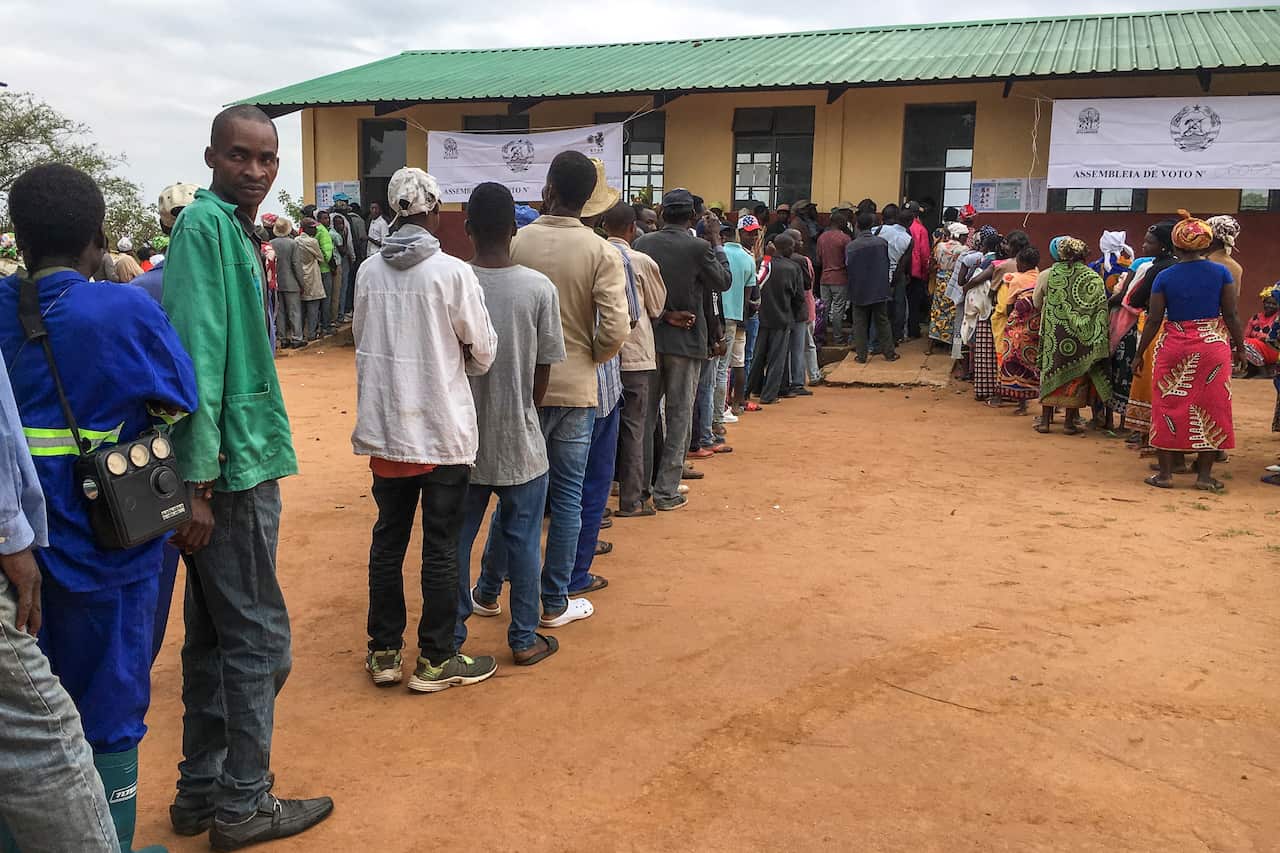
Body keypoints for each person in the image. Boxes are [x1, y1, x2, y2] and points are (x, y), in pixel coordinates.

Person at [0, 165, 196, 853]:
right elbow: (179, 397)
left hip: (15, 548)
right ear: (96, 235)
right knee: (109, 709)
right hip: (107, 546)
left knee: (19, 715)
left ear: (19, 238)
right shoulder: (123, 308)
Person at [163, 105, 334, 849]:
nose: (257, 171)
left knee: (213, 639)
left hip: (236, 460)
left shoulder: (230, 228)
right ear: (211, 156)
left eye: (267, 159)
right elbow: (197, 355)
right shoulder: (204, 230)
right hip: (228, 474)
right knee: (264, 642)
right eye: (241, 157)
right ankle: (243, 800)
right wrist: (198, 483)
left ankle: (200, 790)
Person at [351, 166, 498, 694]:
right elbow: (482, 351)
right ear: (435, 212)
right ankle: (436, 660)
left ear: (392, 211)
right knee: (440, 545)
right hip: (440, 431)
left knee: (388, 540)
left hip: (388, 428)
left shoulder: (368, 272)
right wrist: (452, 356)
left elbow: (366, 339)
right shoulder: (453, 273)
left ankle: (384, 651)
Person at [510, 150, 629, 620]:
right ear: (590, 200)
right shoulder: (601, 251)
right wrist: (592, 356)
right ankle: (554, 600)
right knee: (569, 497)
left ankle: (489, 587)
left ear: (549, 189)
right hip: (579, 389)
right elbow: (617, 326)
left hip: (524, 385)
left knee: (517, 491)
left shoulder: (518, 241)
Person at [455, 182, 566, 665]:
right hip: (521, 436)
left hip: (461, 440)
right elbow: (544, 369)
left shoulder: (454, 282)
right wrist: (524, 408)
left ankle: (451, 636)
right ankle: (523, 637)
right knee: (523, 542)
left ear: (467, 229)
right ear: (514, 228)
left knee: (454, 541)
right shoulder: (539, 288)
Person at [634, 188, 730, 511]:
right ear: (691, 217)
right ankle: (666, 491)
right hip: (687, 344)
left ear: (661, 214)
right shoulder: (700, 247)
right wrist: (717, 240)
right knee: (679, 416)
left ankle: (641, 488)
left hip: (651, 339)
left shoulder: (642, 243)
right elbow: (723, 282)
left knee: (645, 419)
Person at [1136, 214, 1244, 492]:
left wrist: (1139, 353)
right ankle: (1205, 477)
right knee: (1212, 407)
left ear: (1175, 244)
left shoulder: (1164, 276)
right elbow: (1231, 314)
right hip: (1212, 346)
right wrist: (1240, 347)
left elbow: (1153, 319)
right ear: (1205, 242)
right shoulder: (1222, 273)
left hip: (1174, 345)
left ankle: (1166, 474)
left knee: (1167, 405)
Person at [605, 203, 667, 519]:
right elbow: (656, 307)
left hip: (600, 356)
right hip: (636, 355)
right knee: (634, 428)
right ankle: (631, 500)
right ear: (632, 228)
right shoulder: (641, 261)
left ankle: (599, 502)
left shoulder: (595, 255)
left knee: (599, 431)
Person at [1033, 236, 1111, 434]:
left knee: (1050, 371)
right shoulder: (1092, 278)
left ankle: (1044, 421)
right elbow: (1100, 308)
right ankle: (1068, 423)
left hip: (1054, 333)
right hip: (1080, 337)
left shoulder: (1048, 275)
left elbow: (1037, 302)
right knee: (1076, 376)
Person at [1120, 222, 1178, 448]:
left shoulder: (1156, 269)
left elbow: (1133, 298)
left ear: (1164, 246)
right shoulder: (1178, 265)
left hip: (1155, 330)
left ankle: (1147, 436)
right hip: (1177, 330)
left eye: (1149, 242)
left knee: (1147, 379)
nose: (1144, 246)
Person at [745, 232, 805, 403]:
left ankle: (746, 392)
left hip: (759, 317)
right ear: (786, 248)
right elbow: (799, 298)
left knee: (756, 356)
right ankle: (769, 395)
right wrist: (790, 313)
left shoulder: (760, 263)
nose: (793, 249)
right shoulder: (793, 268)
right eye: (792, 247)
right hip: (782, 318)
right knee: (776, 358)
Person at [846, 210, 897, 363]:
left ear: (857, 226)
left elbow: (848, 266)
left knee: (860, 323)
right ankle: (889, 353)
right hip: (879, 288)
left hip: (859, 289)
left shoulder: (851, 246)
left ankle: (861, 356)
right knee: (882, 320)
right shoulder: (882, 243)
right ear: (872, 225)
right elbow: (887, 264)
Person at [997, 246, 1044, 412]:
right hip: (1038, 326)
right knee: (1036, 362)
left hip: (1020, 327)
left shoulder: (1016, 280)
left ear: (1023, 264)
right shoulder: (1041, 276)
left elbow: (1009, 306)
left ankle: (1022, 404)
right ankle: (1049, 402)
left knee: (1016, 361)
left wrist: (1010, 322)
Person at [719, 216, 757, 420]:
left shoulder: (719, 253)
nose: (753, 236)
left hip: (718, 317)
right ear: (739, 234)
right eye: (750, 232)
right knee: (737, 362)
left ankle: (723, 410)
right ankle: (736, 405)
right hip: (738, 317)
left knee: (721, 367)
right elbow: (749, 295)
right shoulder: (748, 258)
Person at [873, 203, 913, 344]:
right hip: (896, 275)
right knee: (898, 306)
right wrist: (897, 278)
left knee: (879, 308)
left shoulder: (878, 230)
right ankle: (896, 336)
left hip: (877, 272)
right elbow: (904, 263)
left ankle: (876, 339)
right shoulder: (908, 237)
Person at [928, 222, 969, 352]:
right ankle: (953, 346)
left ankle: (932, 344)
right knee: (954, 312)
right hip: (954, 281)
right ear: (959, 235)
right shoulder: (963, 250)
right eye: (965, 236)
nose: (966, 238)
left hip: (940, 281)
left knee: (937, 311)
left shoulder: (940, 246)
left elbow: (933, 263)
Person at [270, 217, 307, 348]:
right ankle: (297, 337)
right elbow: (296, 264)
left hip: (276, 282)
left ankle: (283, 338)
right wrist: (302, 283)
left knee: (280, 312)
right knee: (294, 311)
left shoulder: (271, 243)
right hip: (291, 282)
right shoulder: (292, 244)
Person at [817, 212, 852, 346]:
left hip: (824, 278)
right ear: (840, 222)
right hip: (840, 278)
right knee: (838, 309)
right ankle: (838, 338)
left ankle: (821, 336)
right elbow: (849, 260)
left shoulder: (822, 238)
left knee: (824, 309)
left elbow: (819, 259)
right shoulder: (845, 238)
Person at [902, 202, 932, 339]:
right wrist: (926, 273)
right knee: (914, 303)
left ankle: (900, 331)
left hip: (900, 270)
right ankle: (913, 330)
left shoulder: (900, 226)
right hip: (916, 272)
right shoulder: (921, 230)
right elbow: (925, 254)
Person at [295, 219, 327, 341]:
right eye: (313, 227)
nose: (315, 229)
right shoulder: (312, 241)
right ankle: (312, 334)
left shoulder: (296, 241)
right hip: (312, 275)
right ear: (307, 229)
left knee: (301, 308)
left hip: (300, 275)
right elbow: (321, 257)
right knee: (313, 307)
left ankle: (301, 333)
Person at [1242, 285, 1279, 372]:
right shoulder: (1256, 317)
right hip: (1255, 348)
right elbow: (1245, 335)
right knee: (1240, 342)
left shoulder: (1278, 319)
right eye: (1267, 303)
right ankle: (1250, 369)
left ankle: (1262, 370)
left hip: (1273, 350)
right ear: (1263, 303)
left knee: (1245, 343)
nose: (1270, 306)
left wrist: (1261, 338)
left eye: (1274, 304)